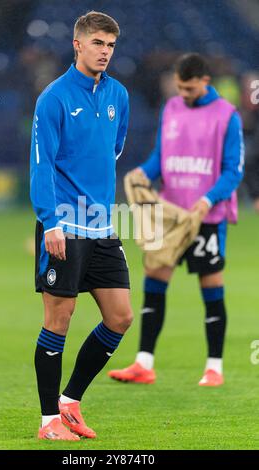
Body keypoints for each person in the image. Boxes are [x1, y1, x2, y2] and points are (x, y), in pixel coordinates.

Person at [109, 53, 244, 387]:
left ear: (204, 82)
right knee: (154, 280)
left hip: (205, 216)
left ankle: (214, 367)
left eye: (187, 88)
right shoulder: (171, 109)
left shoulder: (228, 116)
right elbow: (161, 157)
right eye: (178, 87)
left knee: (211, 288)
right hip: (169, 212)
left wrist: (207, 199)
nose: (181, 93)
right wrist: (144, 172)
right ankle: (144, 363)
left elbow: (233, 171)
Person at [30, 11, 132, 441]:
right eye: (97, 43)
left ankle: (70, 401)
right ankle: (48, 421)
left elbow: (115, 147)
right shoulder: (53, 98)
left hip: (101, 226)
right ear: (78, 44)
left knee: (121, 317)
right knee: (60, 319)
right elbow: (41, 164)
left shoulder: (119, 95)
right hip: (64, 228)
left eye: (110, 45)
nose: (105, 52)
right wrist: (51, 221)